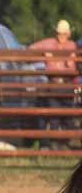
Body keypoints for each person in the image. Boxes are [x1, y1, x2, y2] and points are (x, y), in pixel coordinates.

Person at [29, 19, 77, 149]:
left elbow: (71, 66)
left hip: (66, 84)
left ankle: (64, 142)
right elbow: (31, 48)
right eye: (60, 33)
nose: (62, 36)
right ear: (57, 33)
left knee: (67, 115)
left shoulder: (71, 45)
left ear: (68, 34)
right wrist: (43, 56)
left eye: (64, 34)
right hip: (54, 82)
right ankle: (56, 143)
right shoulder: (49, 43)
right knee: (55, 115)